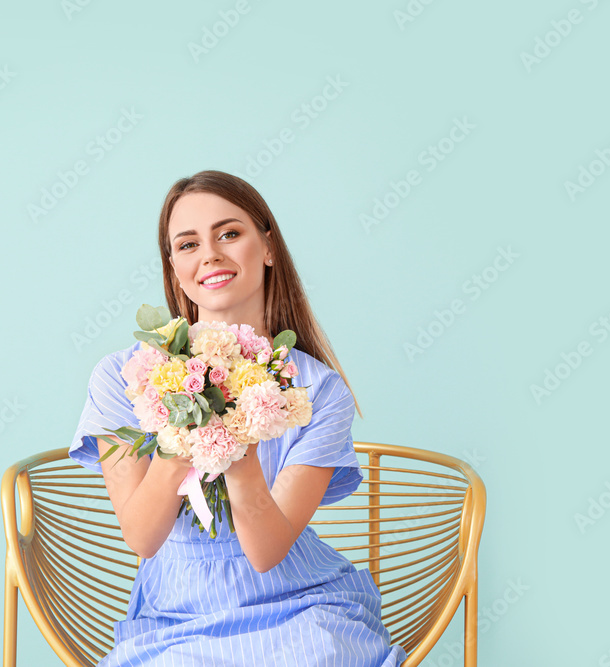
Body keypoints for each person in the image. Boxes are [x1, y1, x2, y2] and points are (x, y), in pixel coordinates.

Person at [68, 170, 407, 666]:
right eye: (187, 244)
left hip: (299, 603)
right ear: (174, 267)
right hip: (176, 615)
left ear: (267, 246)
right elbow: (141, 536)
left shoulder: (319, 391)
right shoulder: (125, 376)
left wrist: (236, 444)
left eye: (229, 233)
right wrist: (181, 427)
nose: (209, 255)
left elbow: (268, 552)